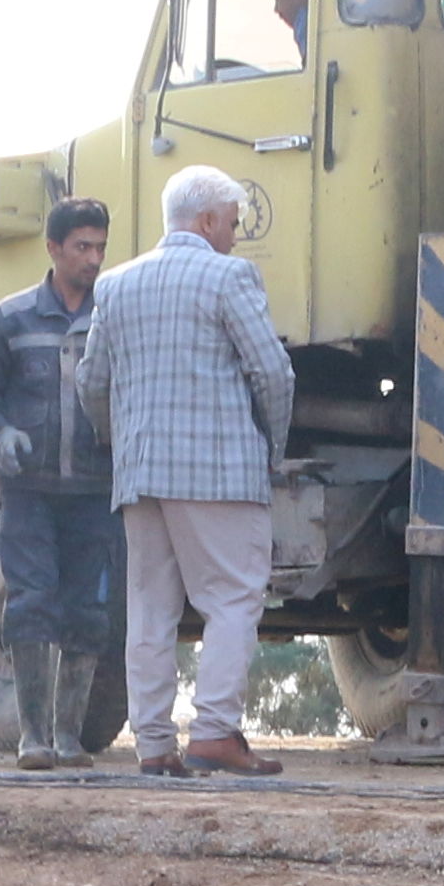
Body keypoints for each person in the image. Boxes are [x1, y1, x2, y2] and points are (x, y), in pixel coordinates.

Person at [75, 167, 297, 779]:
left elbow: (92, 383)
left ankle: (153, 745)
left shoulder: (116, 286)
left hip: (142, 474)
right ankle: (215, 732)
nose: (233, 235)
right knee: (232, 598)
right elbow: (273, 374)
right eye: (230, 222)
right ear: (206, 221)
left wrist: (122, 442)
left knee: (150, 610)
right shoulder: (229, 276)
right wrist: (269, 447)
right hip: (219, 473)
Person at [0, 197, 122, 771]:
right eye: (82, 247)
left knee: (88, 611)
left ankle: (69, 737)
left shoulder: (113, 314)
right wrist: (1, 432)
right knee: (30, 603)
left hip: (93, 491)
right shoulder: (10, 319)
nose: (93, 258)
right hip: (28, 492)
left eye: (101, 247)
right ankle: (33, 737)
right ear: (53, 249)